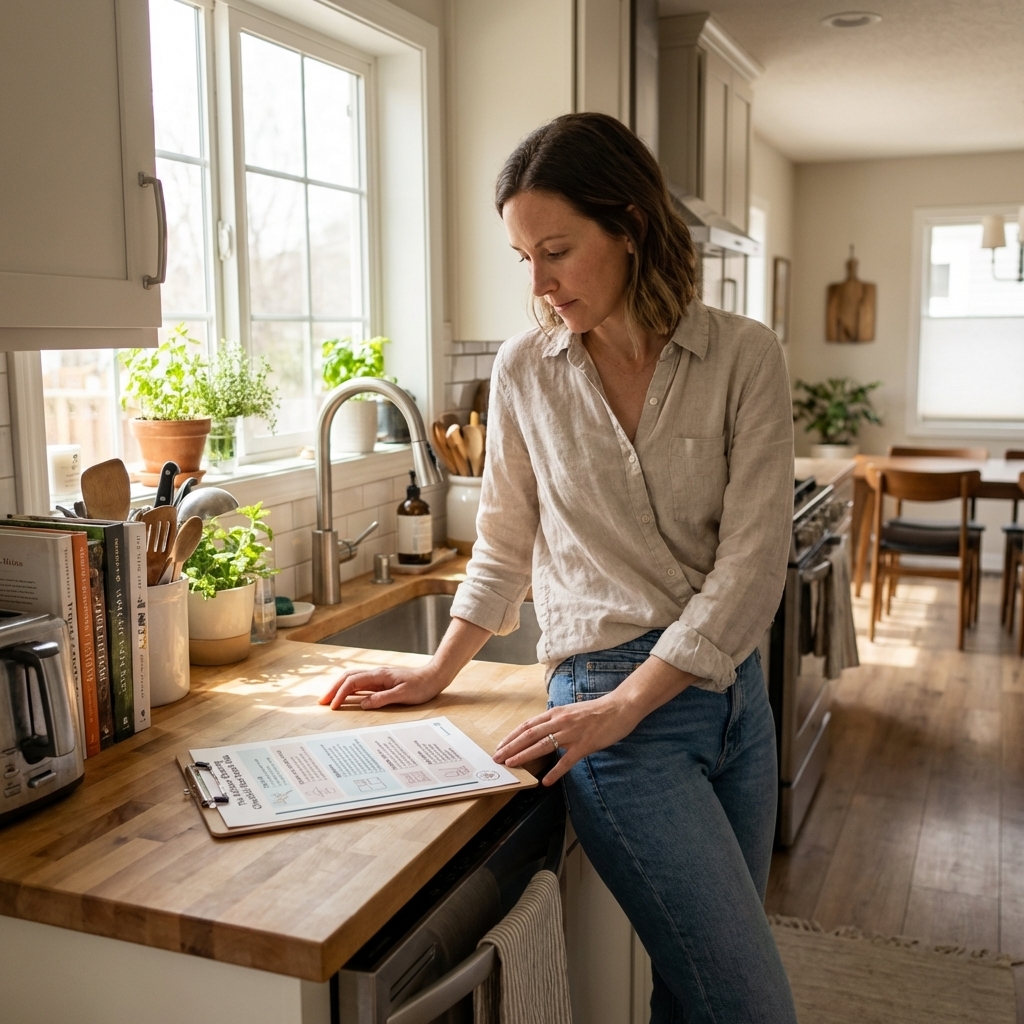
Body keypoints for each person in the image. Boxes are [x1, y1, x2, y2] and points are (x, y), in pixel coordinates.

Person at [321, 112, 798, 1024]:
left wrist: (638, 697)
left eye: (557, 251)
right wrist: (438, 667)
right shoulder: (524, 372)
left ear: (629, 227)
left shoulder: (744, 356)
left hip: (740, 704)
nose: (538, 285)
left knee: (699, 999)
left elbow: (752, 563)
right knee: (752, 1008)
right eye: (522, 259)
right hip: (615, 721)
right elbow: (504, 540)